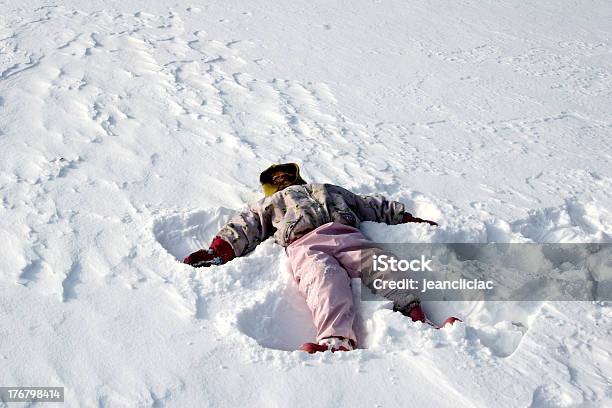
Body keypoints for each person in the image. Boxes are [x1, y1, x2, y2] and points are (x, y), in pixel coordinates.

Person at [184, 163, 445, 353]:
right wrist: (220, 249)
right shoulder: (271, 202)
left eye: (286, 173)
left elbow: (368, 204)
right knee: (323, 279)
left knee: (383, 265)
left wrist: (405, 217)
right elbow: (247, 224)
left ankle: (415, 314)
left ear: (297, 175)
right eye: (276, 177)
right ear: (270, 185)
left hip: (347, 235)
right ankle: (335, 340)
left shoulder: (328, 190)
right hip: (306, 244)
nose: (282, 177)